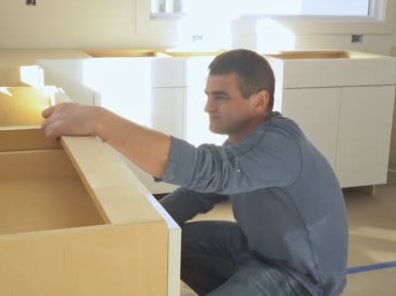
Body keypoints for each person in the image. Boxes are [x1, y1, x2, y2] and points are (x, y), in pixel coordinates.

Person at [41, 49, 348, 296]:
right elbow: (195, 194)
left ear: (260, 100)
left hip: (301, 278)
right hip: (254, 247)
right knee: (164, 244)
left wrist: (100, 121)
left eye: (220, 97)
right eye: (208, 95)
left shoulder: (279, 146)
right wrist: (141, 232)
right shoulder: (245, 143)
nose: (207, 107)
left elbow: (207, 169)